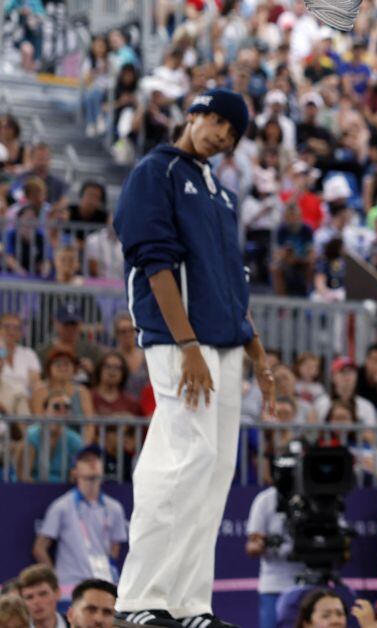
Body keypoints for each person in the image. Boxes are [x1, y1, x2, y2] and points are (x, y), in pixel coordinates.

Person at [113, 88, 275, 628]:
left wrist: (258, 354)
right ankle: (140, 598)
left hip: (226, 345)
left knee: (213, 471)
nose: (223, 136)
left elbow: (234, 285)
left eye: (233, 132)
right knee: (182, 459)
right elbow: (153, 261)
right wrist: (187, 346)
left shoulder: (221, 193)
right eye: (218, 122)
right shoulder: (154, 173)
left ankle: (187, 603)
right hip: (181, 342)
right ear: (195, 113)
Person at [31, 445, 128, 586]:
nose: (93, 463)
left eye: (96, 459)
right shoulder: (61, 506)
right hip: (70, 584)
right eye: (85, 460)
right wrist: (55, 580)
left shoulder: (115, 508)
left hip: (104, 583)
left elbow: (115, 548)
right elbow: (39, 548)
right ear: (74, 471)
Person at [247, 483, 307, 628]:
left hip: (311, 583)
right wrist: (263, 544)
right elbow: (251, 546)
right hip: (274, 586)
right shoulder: (265, 500)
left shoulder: (317, 497)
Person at [21, 391, 86, 483]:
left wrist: (76, 475)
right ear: (45, 411)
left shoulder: (75, 441)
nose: (62, 411)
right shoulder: (31, 435)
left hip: (63, 491)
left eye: (67, 407)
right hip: (33, 489)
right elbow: (24, 476)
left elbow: (77, 474)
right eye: (56, 407)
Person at [0, 312, 41, 394]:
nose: (11, 331)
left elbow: (35, 381)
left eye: (16, 328)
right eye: (7, 327)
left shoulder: (28, 354)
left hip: (23, 397)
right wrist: (2, 349)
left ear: (20, 333)